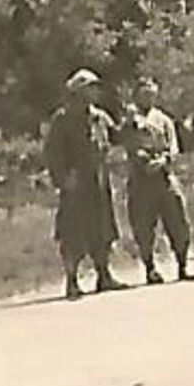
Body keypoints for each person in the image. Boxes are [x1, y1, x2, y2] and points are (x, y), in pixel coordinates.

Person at [43, 68, 126, 300]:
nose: (95, 92)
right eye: (90, 88)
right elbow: (53, 153)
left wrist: (129, 124)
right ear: (77, 92)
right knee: (72, 233)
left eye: (95, 88)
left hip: (98, 181)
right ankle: (72, 280)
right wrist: (62, 178)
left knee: (103, 229)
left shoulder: (99, 117)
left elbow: (116, 136)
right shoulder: (62, 119)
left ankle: (104, 275)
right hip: (76, 184)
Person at [123, 78, 194, 285]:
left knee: (178, 220)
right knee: (144, 225)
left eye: (151, 94)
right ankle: (150, 268)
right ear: (136, 96)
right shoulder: (130, 120)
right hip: (141, 178)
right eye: (144, 94)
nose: (148, 98)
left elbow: (174, 146)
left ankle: (182, 264)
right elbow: (128, 144)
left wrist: (164, 160)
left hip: (164, 176)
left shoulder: (164, 119)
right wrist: (144, 160)